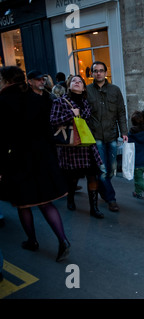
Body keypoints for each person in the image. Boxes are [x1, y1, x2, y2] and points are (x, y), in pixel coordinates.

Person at [0, 66, 70, 261]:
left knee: (24, 204)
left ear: (6, 80)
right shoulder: (37, 98)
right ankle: (63, 240)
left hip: (19, 159)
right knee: (45, 202)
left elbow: (3, 138)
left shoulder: (4, 101)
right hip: (42, 157)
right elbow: (48, 130)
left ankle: (32, 241)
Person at [50, 75, 104, 218]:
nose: (77, 83)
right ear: (69, 85)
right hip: (71, 144)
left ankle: (94, 208)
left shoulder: (85, 102)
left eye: (80, 81)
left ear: (84, 87)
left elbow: (85, 119)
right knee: (72, 177)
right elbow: (53, 121)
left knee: (93, 175)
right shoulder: (59, 102)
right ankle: (70, 198)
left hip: (86, 142)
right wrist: (71, 114)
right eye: (74, 81)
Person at [87, 61, 128, 212]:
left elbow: (121, 113)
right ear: (92, 73)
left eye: (101, 70)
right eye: (95, 71)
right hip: (95, 136)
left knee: (111, 170)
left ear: (105, 72)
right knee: (103, 170)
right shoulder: (88, 91)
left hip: (111, 135)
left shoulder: (115, 90)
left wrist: (124, 131)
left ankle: (102, 189)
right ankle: (111, 199)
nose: (98, 73)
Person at [128, 111, 144, 199]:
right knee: (138, 176)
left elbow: (129, 146)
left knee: (138, 179)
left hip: (137, 160)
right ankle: (137, 192)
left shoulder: (132, 133)